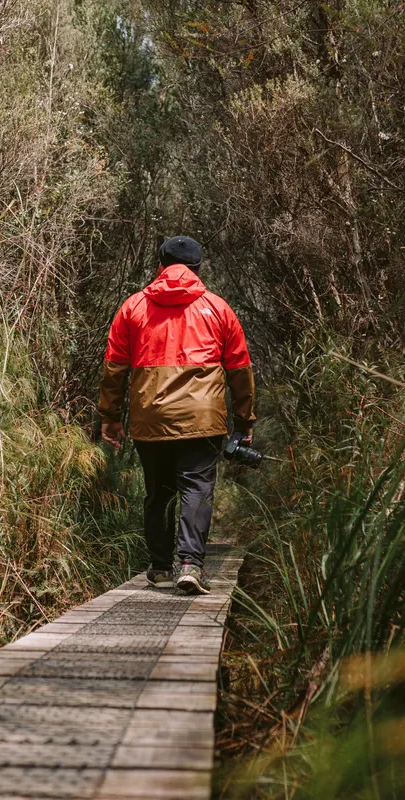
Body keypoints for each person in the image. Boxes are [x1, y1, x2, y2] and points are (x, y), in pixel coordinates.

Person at [97, 236, 256, 595]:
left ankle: (159, 568)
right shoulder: (218, 308)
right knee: (196, 489)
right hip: (203, 418)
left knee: (158, 492)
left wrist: (110, 416)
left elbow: (114, 368)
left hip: (149, 418)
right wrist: (244, 421)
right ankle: (190, 564)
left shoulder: (133, 307)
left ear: (160, 264)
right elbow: (240, 370)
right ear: (198, 268)